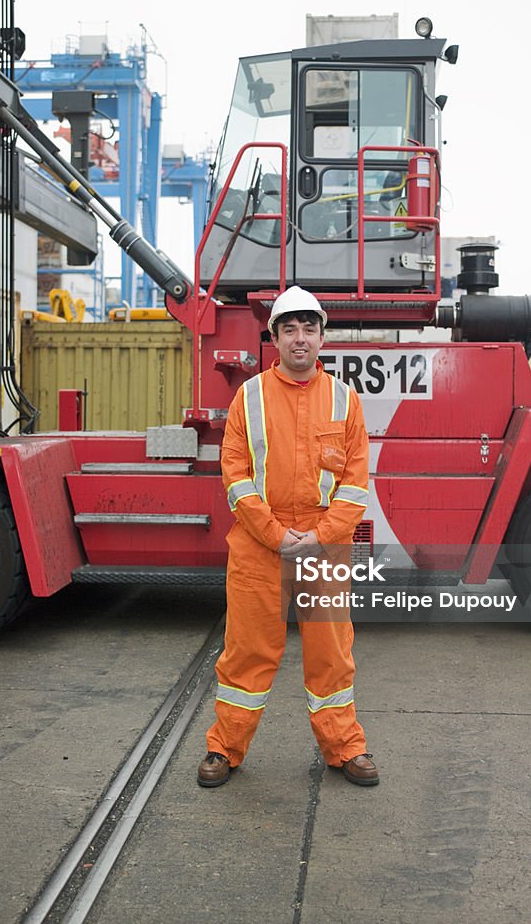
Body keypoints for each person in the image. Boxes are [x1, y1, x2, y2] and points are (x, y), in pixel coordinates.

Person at [197, 285, 378, 788]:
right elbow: (234, 476)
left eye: (310, 329)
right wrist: (277, 536)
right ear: (274, 337)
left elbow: (356, 484)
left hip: (323, 546)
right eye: (290, 329)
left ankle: (345, 748)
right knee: (246, 653)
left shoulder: (346, 400)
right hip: (260, 546)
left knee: (332, 653)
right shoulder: (248, 397)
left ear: (322, 336)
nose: (301, 339)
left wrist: (320, 536)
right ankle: (224, 748)